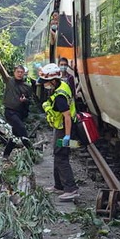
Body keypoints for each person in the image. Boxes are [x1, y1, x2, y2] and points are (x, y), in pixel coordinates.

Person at [38, 62, 78, 201]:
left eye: (46, 82)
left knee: (61, 157)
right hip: (59, 128)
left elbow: (67, 116)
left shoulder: (60, 96)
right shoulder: (62, 85)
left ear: (53, 81)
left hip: (64, 129)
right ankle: (58, 186)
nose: (44, 84)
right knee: (57, 154)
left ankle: (71, 189)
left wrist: (67, 135)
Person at [0, 45, 32, 158]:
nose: (19, 73)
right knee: (22, 130)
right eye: (18, 71)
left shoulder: (27, 86)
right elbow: (0, 68)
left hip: (20, 113)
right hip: (10, 112)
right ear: (14, 72)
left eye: (21, 72)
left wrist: (25, 100)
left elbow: (30, 101)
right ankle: (31, 152)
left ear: (24, 74)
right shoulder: (9, 81)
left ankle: (5, 155)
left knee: (15, 136)